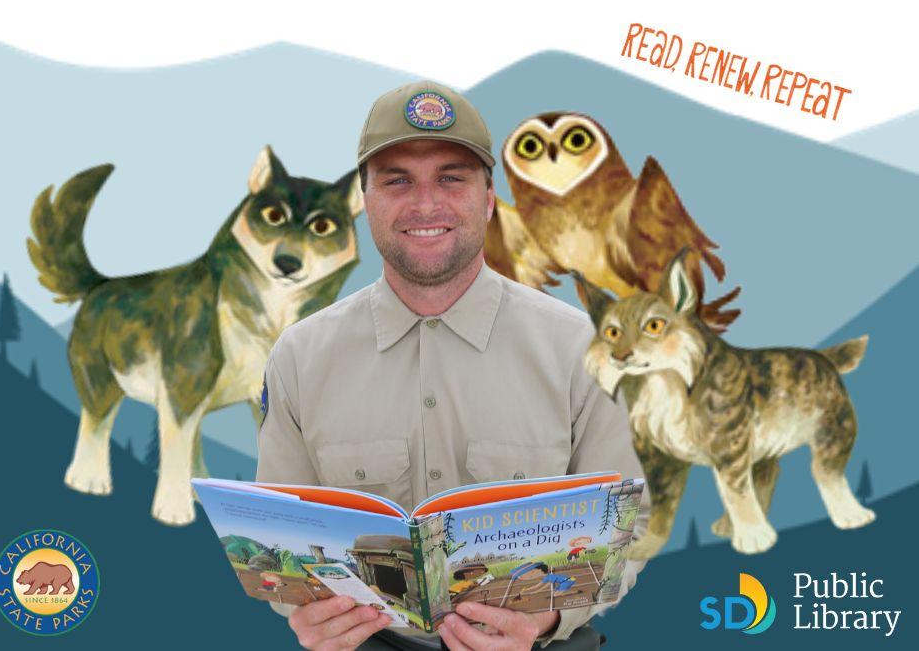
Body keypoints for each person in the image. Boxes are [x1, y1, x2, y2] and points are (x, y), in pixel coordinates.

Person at [257, 81, 647, 651]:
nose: (424, 205)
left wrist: (541, 620)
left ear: (489, 200)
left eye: (451, 177)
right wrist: (303, 607)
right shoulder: (298, 357)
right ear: (365, 203)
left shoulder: (579, 348)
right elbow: (278, 546)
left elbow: (626, 533)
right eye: (396, 180)